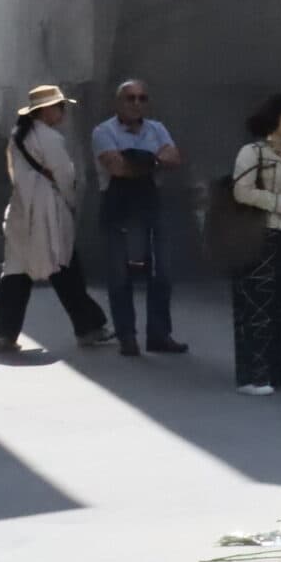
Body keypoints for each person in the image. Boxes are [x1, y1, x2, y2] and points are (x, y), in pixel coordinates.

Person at [0, 86, 113, 356]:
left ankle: (1, 333)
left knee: (17, 273)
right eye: (59, 107)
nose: (62, 112)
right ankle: (89, 326)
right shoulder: (50, 138)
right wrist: (70, 203)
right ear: (45, 111)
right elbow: (65, 177)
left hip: (23, 211)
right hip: (48, 213)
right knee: (64, 266)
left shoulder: (19, 136)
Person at [91, 79, 186, 356]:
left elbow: (175, 158)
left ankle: (159, 334)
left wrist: (140, 160)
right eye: (130, 98)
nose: (136, 103)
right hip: (117, 207)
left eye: (142, 98)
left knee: (162, 273)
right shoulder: (103, 131)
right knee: (120, 276)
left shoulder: (157, 128)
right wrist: (154, 160)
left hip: (150, 205)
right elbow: (117, 167)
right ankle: (127, 336)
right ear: (117, 102)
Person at [229, 93, 281, 394]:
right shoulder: (252, 153)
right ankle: (254, 375)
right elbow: (242, 192)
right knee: (257, 305)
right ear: (273, 118)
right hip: (260, 234)